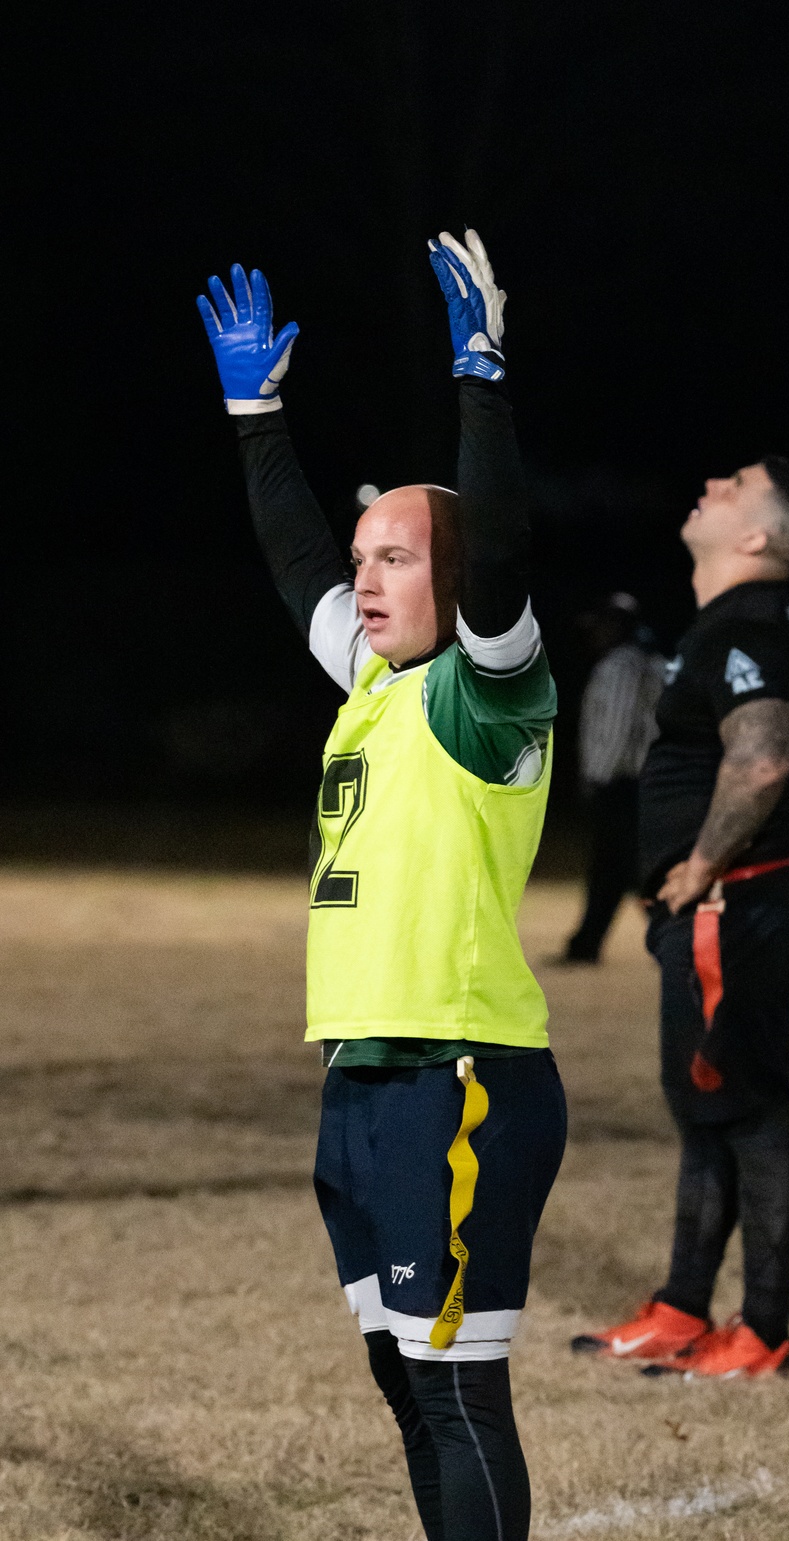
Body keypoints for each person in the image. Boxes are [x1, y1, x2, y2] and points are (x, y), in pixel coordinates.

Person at [197, 230, 565, 1541]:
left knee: (459, 1387)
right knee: (401, 1374)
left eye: (397, 556)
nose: (364, 574)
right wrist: (256, 418)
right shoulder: (373, 682)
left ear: (456, 585)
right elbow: (299, 559)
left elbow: (500, 550)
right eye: (369, 556)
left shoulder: (485, 696)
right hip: (363, 1074)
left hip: (458, 1077)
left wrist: (481, 378)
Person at [572, 458, 789, 1378]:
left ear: (758, 537)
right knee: (705, 1106)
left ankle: (761, 1330)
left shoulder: (749, 624)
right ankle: (686, 1308)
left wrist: (702, 864)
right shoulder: (733, 623)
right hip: (733, 898)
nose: (713, 483)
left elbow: (762, 758)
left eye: (736, 486)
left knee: (747, 1108)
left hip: (736, 894)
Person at [563, 593, 664, 962]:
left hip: (624, 783)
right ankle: (585, 944)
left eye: (604, 626)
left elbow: (617, 727)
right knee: (618, 869)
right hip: (640, 782)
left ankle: (673, 940)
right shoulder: (652, 662)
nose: (596, 635)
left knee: (626, 868)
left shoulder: (623, 665)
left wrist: (596, 776)